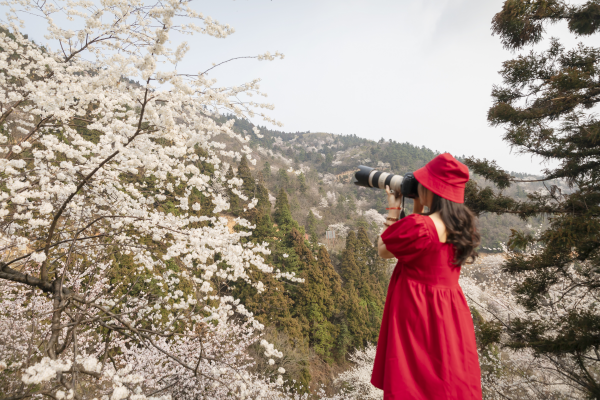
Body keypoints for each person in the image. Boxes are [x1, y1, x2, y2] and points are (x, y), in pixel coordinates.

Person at [371, 153, 482, 399]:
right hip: (450, 312)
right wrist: (418, 209)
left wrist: (392, 211)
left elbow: (384, 250)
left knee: (414, 382)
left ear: (432, 189)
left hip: (417, 312)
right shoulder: (464, 226)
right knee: (447, 379)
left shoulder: (420, 227)